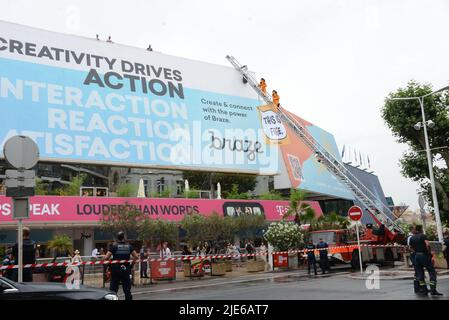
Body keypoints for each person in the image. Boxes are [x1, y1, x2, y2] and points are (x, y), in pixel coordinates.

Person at [409, 225, 443, 296]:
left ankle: (424, 290)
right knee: (432, 272)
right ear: (420, 229)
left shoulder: (412, 238)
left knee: (420, 274)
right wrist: (430, 252)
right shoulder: (423, 236)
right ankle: (433, 290)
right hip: (424, 256)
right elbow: (427, 244)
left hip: (416, 256)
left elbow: (410, 248)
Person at [104, 231, 138, 300]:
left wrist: (110, 265)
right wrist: (131, 265)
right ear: (124, 237)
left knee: (113, 290)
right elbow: (136, 256)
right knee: (127, 290)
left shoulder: (114, 246)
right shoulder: (129, 246)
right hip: (126, 270)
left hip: (115, 270)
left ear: (117, 238)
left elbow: (106, 257)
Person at [407, 226, 420, 293]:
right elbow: (409, 247)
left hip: (415, 255)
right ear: (411, 230)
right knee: (417, 271)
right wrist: (416, 251)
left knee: (418, 271)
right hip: (414, 255)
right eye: (415, 229)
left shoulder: (414, 236)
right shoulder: (410, 237)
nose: (416, 231)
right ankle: (417, 288)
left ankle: (419, 287)